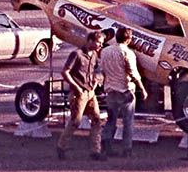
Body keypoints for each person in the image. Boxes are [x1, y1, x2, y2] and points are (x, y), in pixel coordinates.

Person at [56, 30, 107, 161]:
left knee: (96, 120)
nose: (100, 46)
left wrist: (96, 82)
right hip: (79, 93)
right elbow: (65, 72)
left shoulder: (94, 55)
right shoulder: (76, 54)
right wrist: (76, 87)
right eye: (99, 43)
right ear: (90, 41)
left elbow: (95, 70)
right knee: (75, 121)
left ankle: (96, 150)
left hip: (90, 92)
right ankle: (62, 146)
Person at [100, 27, 147, 158]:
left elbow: (102, 69)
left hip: (110, 90)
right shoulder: (128, 53)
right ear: (128, 39)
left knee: (111, 120)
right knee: (128, 121)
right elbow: (133, 72)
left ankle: (106, 144)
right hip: (125, 90)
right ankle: (127, 149)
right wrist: (142, 88)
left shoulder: (105, 51)